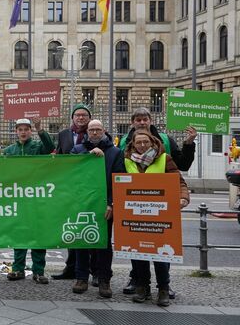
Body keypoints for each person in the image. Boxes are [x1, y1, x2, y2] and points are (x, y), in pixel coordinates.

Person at [118, 107, 196, 296]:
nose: (142, 122)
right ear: (132, 123)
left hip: (161, 210)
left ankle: (164, 286)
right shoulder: (124, 146)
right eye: (138, 120)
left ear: (150, 121)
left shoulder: (165, 145)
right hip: (134, 210)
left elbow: (181, 167)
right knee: (137, 250)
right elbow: (117, 175)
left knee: (162, 250)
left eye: (145, 119)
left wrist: (188, 143)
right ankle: (138, 282)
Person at [70, 120, 124, 298]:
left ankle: (104, 279)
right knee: (80, 242)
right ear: (87, 131)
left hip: (105, 206)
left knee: (104, 244)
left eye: (97, 130)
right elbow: (69, 172)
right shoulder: (78, 150)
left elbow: (118, 180)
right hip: (82, 204)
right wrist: (88, 154)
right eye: (91, 130)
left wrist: (112, 203)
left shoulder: (115, 153)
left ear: (104, 131)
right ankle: (81, 278)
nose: (94, 133)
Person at [4, 118, 54, 284]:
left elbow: (50, 148)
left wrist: (41, 130)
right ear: (16, 131)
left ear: (30, 131)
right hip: (17, 198)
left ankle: (38, 271)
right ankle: (18, 269)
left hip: (37, 197)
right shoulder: (9, 150)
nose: (23, 132)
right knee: (19, 233)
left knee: (38, 233)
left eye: (26, 129)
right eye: (20, 129)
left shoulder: (38, 147)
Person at [52, 103, 92, 281]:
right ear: (73, 118)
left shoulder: (97, 133)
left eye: (84, 115)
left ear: (89, 118)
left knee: (88, 231)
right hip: (69, 188)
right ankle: (70, 268)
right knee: (71, 227)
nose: (81, 118)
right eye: (77, 115)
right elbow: (60, 156)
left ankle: (91, 270)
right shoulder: (64, 134)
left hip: (89, 187)